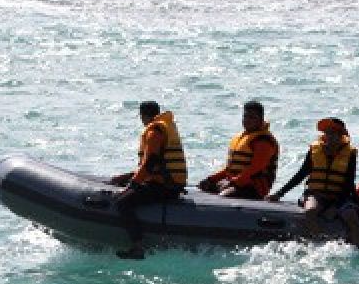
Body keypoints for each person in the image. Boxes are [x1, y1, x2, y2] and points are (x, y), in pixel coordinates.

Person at [267, 117, 359, 246]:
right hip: (316, 194)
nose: (330, 136)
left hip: (340, 197)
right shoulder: (314, 150)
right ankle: (322, 244)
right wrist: (279, 193)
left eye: (334, 133)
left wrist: (335, 206)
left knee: (351, 216)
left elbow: (348, 183)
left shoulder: (350, 154)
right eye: (327, 132)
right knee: (310, 211)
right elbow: (301, 174)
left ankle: (357, 248)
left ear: (342, 135)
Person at [110, 101, 187, 260]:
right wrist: (126, 177)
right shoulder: (165, 126)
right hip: (168, 183)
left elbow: (150, 163)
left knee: (122, 202)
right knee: (130, 190)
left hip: (164, 186)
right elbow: (155, 164)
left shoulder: (154, 132)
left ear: (143, 115)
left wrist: (133, 184)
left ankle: (137, 247)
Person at [198, 100, 279, 200]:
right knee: (205, 187)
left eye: (252, 117)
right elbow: (229, 169)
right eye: (245, 116)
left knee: (224, 196)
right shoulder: (241, 137)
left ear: (261, 120)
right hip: (235, 182)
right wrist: (211, 179)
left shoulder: (263, 141)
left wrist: (232, 182)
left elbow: (255, 169)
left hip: (255, 187)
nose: (247, 120)